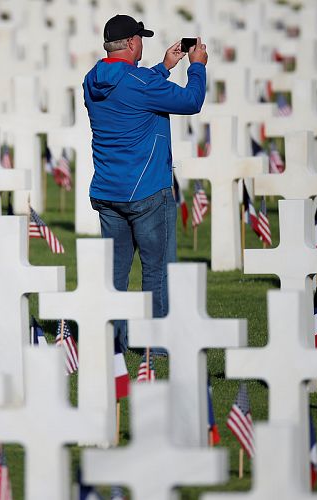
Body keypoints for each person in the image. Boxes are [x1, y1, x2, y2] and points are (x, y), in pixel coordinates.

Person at [83, 15, 208, 350]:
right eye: (141, 37)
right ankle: (155, 345)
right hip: (147, 190)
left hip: (108, 191)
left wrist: (163, 68)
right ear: (131, 43)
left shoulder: (92, 80)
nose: (143, 43)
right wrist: (196, 66)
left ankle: (114, 344)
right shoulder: (139, 83)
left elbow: (130, 88)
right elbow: (191, 101)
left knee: (115, 275)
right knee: (157, 271)